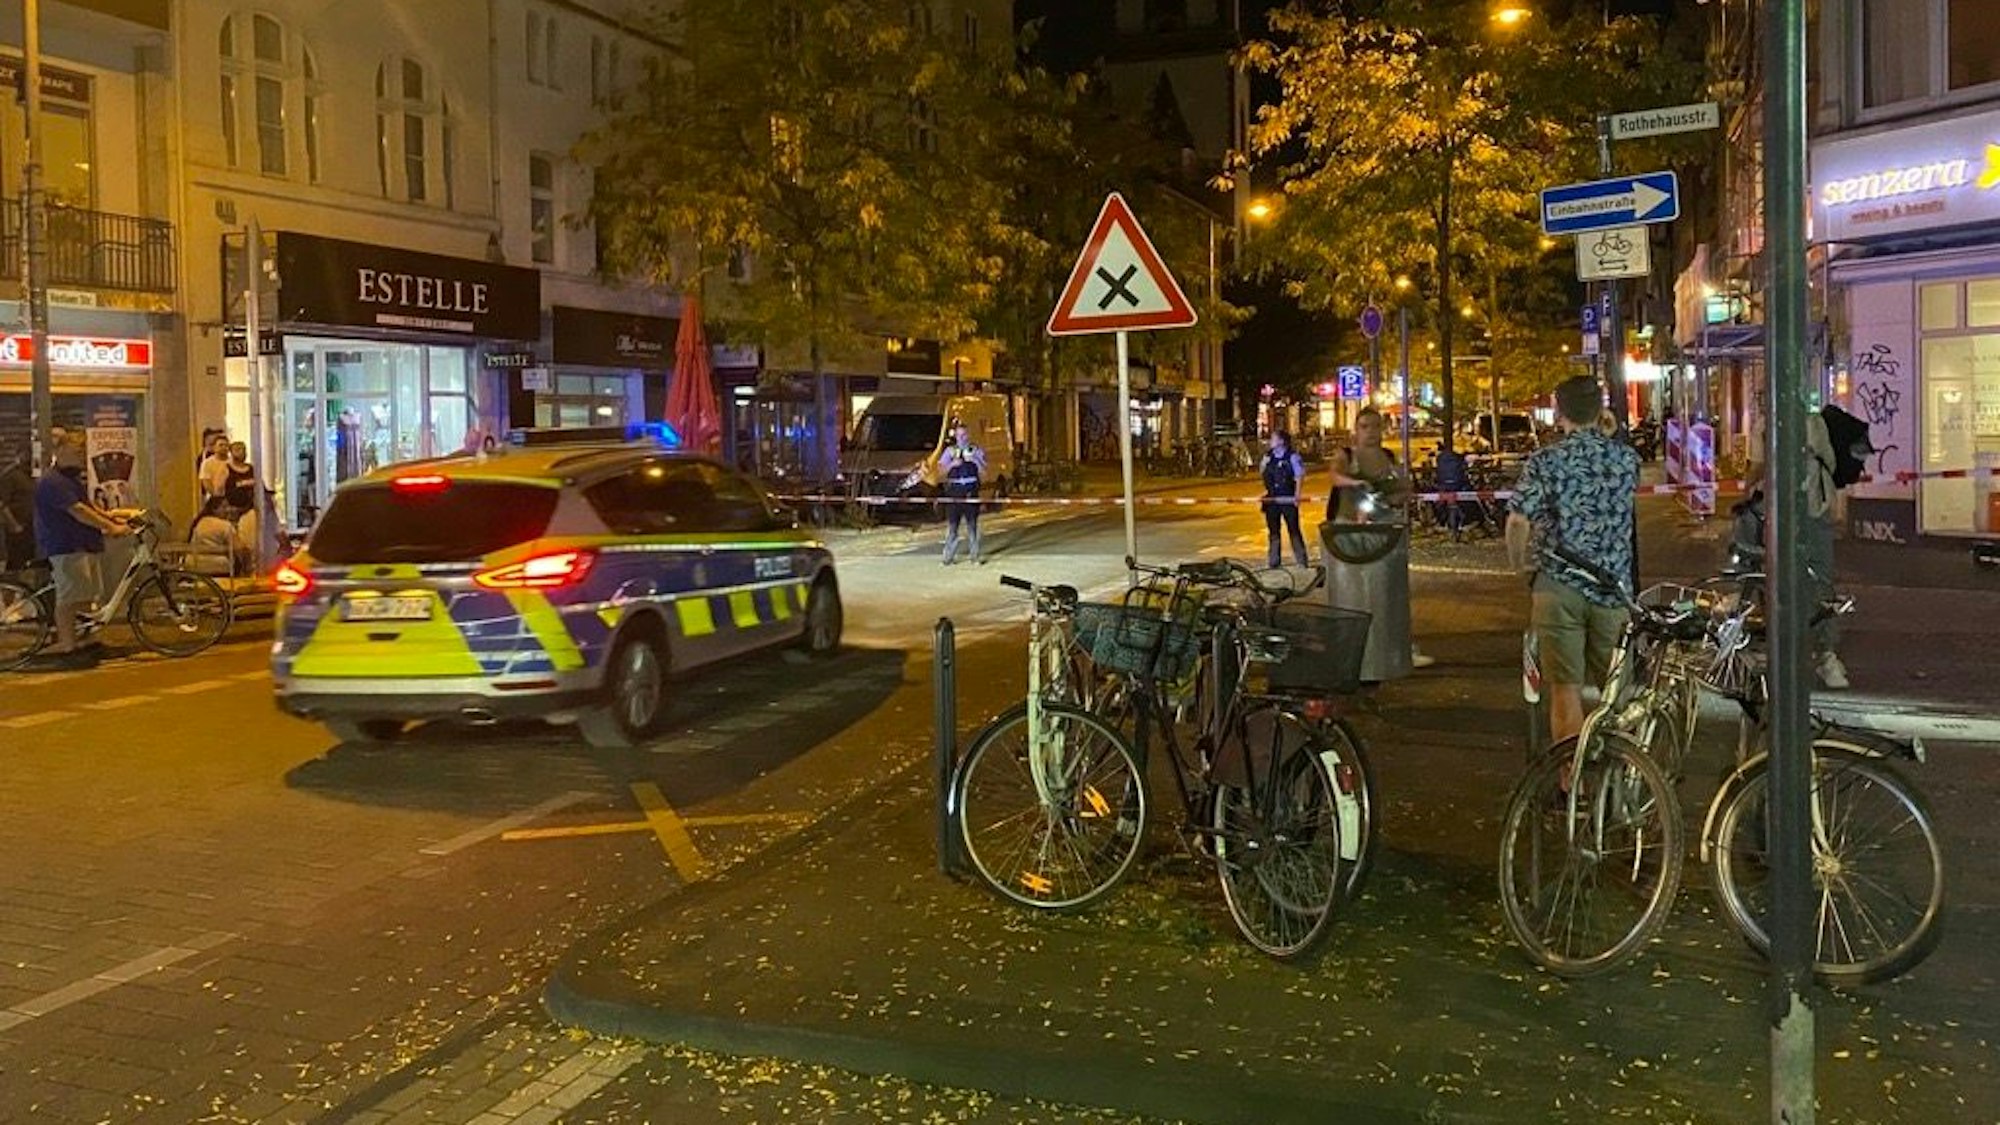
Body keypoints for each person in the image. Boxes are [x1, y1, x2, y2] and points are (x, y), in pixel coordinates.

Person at [1506, 376, 1640, 747]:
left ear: (1558, 411)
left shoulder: (1545, 461)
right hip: (1613, 589)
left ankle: (1570, 774)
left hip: (1558, 586)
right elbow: (1601, 453)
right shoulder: (1627, 460)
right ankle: (1620, 767)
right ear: (1600, 409)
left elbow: (1517, 523)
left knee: (1565, 690)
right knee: (1615, 690)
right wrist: (1604, 428)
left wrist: (1518, 567)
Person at [1327, 408, 1434, 669]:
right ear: (1356, 429)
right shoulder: (1347, 455)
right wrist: (1354, 483)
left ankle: (1392, 647)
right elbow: (1335, 475)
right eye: (1365, 426)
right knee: (1351, 592)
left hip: (1382, 531)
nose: (1371, 432)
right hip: (1349, 532)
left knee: (1386, 590)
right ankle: (1351, 651)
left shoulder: (1388, 457)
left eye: (1375, 426)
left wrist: (1392, 498)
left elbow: (1403, 488)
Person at [34, 433, 131, 665]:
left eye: (82, 450)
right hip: (67, 545)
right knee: (69, 598)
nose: (80, 455)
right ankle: (68, 647)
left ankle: (88, 642)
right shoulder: (53, 481)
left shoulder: (71, 479)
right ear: (59, 451)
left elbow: (88, 507)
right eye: (76, 450)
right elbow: (78, 511)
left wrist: (112, 517)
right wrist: (111, 527)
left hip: (83, 544)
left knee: (86, 596)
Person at [1260, 429, 1309, 569]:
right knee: (1273, 531)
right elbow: (1263, 473)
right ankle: (1274, 562)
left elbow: (1299, 476)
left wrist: (1297, 495)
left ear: (1281, 441)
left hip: (1287, 498)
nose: (1270, 441)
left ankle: (1302, 561)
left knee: (1293, 530)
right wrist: (1263, 464)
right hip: (1272, 499)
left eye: (1273, 438)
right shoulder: (1268, 456)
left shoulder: (1292, 457)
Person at [939, 422, 987, 566]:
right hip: (954, 491)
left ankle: (975, 557)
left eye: (964, 435)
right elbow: (940, 471)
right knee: (952, 526)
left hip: (970, 490)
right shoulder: (950, 451)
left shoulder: (975, 450)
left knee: (972, 526)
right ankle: (948, 557)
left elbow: (984, 471)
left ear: (968, 435)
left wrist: (975, 461)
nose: (961, 438)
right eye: (959, 435)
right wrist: (951, 465)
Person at [1, 452, 34, 573]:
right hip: (18, 527)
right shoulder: (10, 475)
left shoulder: (31, 475)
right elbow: (2, 503)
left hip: (31, 527)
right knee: (16, 563)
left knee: (29, 562)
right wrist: (14, 525)